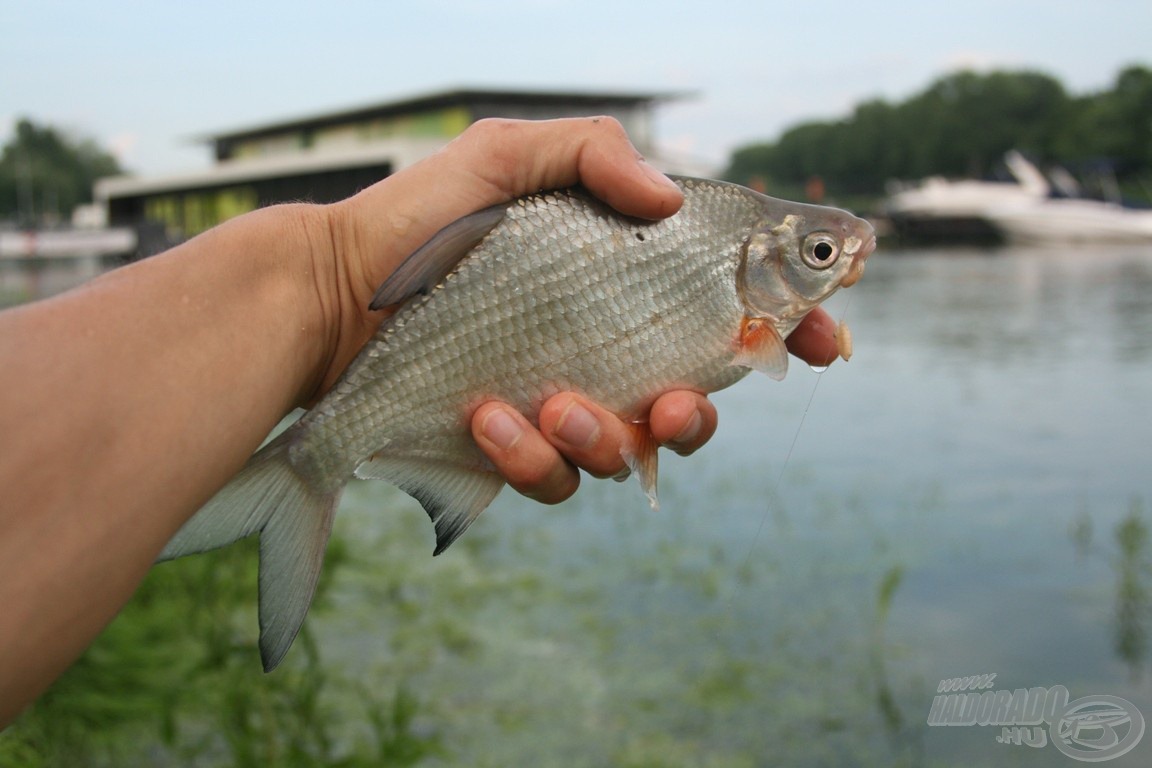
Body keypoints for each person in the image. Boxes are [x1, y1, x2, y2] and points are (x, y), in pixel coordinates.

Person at [0, 116, 841, 726]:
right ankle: (303, 472)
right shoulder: (737, 296)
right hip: (467, 308)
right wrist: (334, 276)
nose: (838, 261)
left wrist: (331, 278)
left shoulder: (744, 285)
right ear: (764, 256)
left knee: (619, 421)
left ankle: (326, 470)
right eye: (819, 255)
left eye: (823, 254)